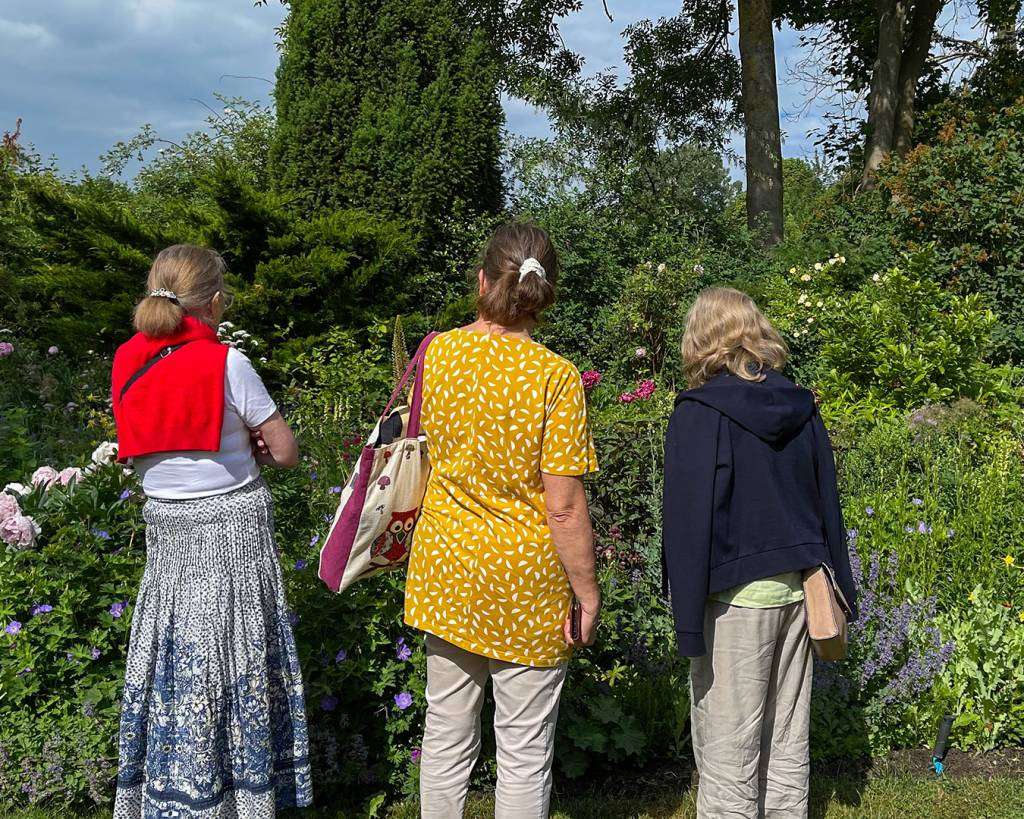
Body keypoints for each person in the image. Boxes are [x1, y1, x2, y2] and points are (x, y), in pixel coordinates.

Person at [404, 222, 600, 818]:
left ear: (483, 281)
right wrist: (587, 593)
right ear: (544, 293)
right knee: (523, 748)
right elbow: (563, 504)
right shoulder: (554, 376)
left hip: (446, 566)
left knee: (445, 731)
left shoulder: (436, 353)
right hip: (525, 579)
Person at [111, 245, 312, 818]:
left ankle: (176, 789)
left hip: (167, 531)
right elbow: (286, 451)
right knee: (233, 655)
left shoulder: (127, 359)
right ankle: (241, 796)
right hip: (231, 531)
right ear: (215, 301)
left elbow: (143, 449)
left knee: (177, 657)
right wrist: (250, 445)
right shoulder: (226, 363)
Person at [662, 287, 858, 818]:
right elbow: (826, 501)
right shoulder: (799, 405)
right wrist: (842, 584)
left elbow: (686, 521)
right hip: (800, 593)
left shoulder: (699, 413)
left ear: (701, 339)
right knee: (786, 740)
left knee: (729, 747)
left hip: (733, 602)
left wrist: (686, 623)